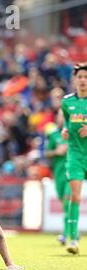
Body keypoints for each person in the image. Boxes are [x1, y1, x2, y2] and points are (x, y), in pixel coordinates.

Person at [61, 62, 87, 254]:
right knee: (75, 196)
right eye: (80, 77)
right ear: (74, 80)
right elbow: (65, 121)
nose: (83, 81)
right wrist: (64, 129)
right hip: (75, 156)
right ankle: (73, 239)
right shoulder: (67, 102)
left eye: (86, 77)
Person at [44, 112, 70, 246]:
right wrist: (56, 152)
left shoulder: (76, 134)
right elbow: (47, 153)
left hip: (72, 171)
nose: (62, 118)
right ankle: (71, 230)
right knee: (64, 202)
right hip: (58, 172)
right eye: (60, 115)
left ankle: (66, 234)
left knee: (67, 200)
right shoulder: (54, 135)